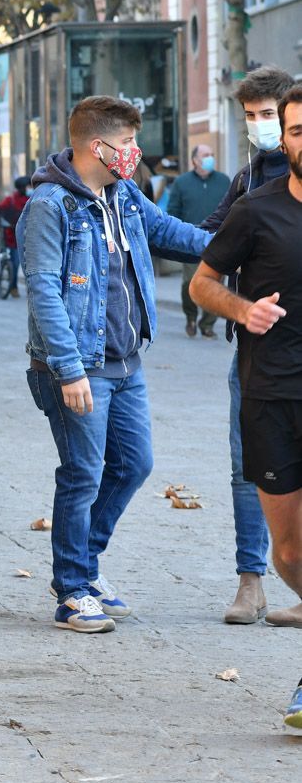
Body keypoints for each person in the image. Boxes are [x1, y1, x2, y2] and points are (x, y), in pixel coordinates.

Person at [18, 95, 210, 633]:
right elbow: (44, 293)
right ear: (96, 146)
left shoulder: (122, 193)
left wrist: (235, 247)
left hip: (127, 364)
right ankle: (73, 590)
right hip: (77, 367)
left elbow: (170, 233)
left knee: (134, 465)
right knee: (82, 475)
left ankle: (87, 566)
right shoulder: (51, 206)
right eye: (126, 143)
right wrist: (68, 368)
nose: (134, 152)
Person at [187, 84, 302, 726]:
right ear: (285, 141)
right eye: (295, 130)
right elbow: (203, 283)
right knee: (289, 553)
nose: (298, 138)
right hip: (270, 396)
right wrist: (242, 308)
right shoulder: (254, 211)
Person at [201, 66, 297, 624]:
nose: (261, 127)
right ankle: (250, 582)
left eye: (269, 116)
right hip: (257, 356)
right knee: (249, 467)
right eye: (252, 117)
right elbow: (208, 243)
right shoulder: (247, 180)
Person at [165, 144, 230, 337]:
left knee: (216, 285)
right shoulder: (182, 183)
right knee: (189, 284)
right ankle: (191, 317)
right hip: (190, 243)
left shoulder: (224, 181)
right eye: (205, 155)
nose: (210, 158)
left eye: (211, 154)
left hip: (218, 243)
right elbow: (172, 212)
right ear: (194, 160)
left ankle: (207, 324)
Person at [0, 176, 29, 296]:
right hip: (14, 239)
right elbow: (1, 207)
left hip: (30, 238)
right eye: (28, 186)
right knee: (15, 263)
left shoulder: (33, 199)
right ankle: (13, 287)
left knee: (31, 267)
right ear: (21, 188)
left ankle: (31, 290)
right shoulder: (11, 200)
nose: (30, 188)